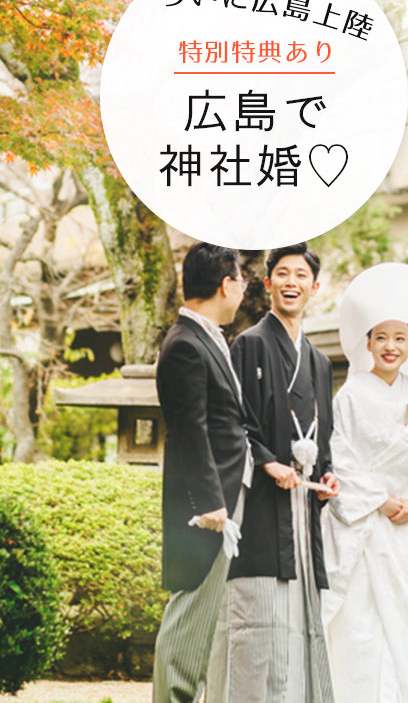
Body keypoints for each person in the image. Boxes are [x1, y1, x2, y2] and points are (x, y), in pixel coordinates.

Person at [206, 242, 340, 703]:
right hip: (261, 506)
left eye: (301, 276)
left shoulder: (320, 362)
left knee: (297, 625)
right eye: (282, 274)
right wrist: (265, 460)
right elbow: (231, 420)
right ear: (267, 284)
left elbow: (326, 434)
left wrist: (328, 475)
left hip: (303, 509)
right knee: (256, 621)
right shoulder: (248, 344)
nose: (291, 283)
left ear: (314, 287)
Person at [321, 262, 408, 703]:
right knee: (359, 620)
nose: (391, 346)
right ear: (368, 343)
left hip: (402, 530)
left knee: (401, 617)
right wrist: (380, 501)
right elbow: (342, 457)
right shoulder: (351, 394)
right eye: (382, 337)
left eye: (400, 338)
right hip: (364, 525)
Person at [153, 242, 252, 703]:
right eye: (243, 279)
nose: (245, 289)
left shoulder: (208, 337)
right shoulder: (185, 344)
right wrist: (212, 503)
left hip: (225, 497)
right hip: (205, 508)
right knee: (190, 614)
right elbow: (189, 430)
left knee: (204, 618)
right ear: (226, 284)